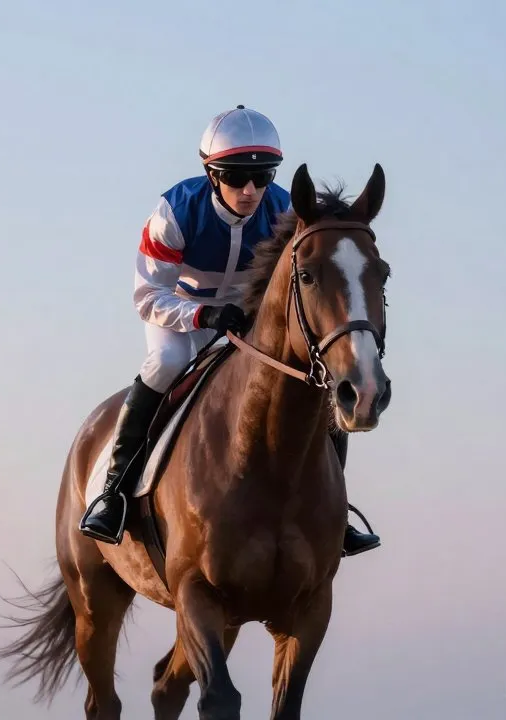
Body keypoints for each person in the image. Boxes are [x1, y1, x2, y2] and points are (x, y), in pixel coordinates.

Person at [79, 105, 381, 557]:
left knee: (316, 377)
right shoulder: (176, 211)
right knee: (166, 362)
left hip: (250, 317)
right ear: (210, 172)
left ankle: (333, 511)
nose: (251, 190)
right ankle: (114, 491)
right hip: (179, 314)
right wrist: (203, 317)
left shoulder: (284, 210)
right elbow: (147, 296)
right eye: (237, 177)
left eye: (262, 178)